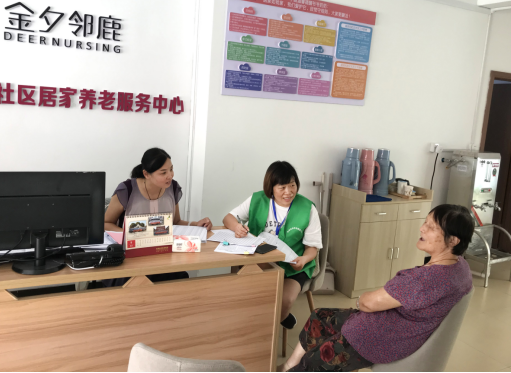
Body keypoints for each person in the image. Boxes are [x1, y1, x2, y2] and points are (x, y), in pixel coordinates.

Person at [279, 204, 474, 372]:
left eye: (431, 227)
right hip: (391, 327)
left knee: (311, 363)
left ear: (453, 240)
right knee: (320, 316)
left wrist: (360, 301)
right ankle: (289, 366)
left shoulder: (425, 280)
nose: (422, 228)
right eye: (425, 222)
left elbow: (368, 303)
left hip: (378, 339)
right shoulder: (460, 267)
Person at [224, 161, 322, 330]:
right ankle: (255, 326)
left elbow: (312, 248)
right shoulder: (257, 199)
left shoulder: (307, 208)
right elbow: (228, 218)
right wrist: (237, 227)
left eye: (292, 185)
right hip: (261, 260)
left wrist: (304, 259)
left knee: (286, 300)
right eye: (282, 187)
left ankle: (268, 328)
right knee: (250, 294)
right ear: (271, 187)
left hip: (293, 266)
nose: (288, 192)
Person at [103, 148, 213, 286]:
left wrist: (195, 224)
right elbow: (106, 223)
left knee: (179, 280)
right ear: (146, 174)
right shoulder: (127, 190)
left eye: (171, 169)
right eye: (163, 172)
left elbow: (176, 222)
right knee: (136, 284)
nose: (170, 175)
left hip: (162, 255)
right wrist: (131, 235)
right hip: (131, 257)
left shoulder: (173, 188)